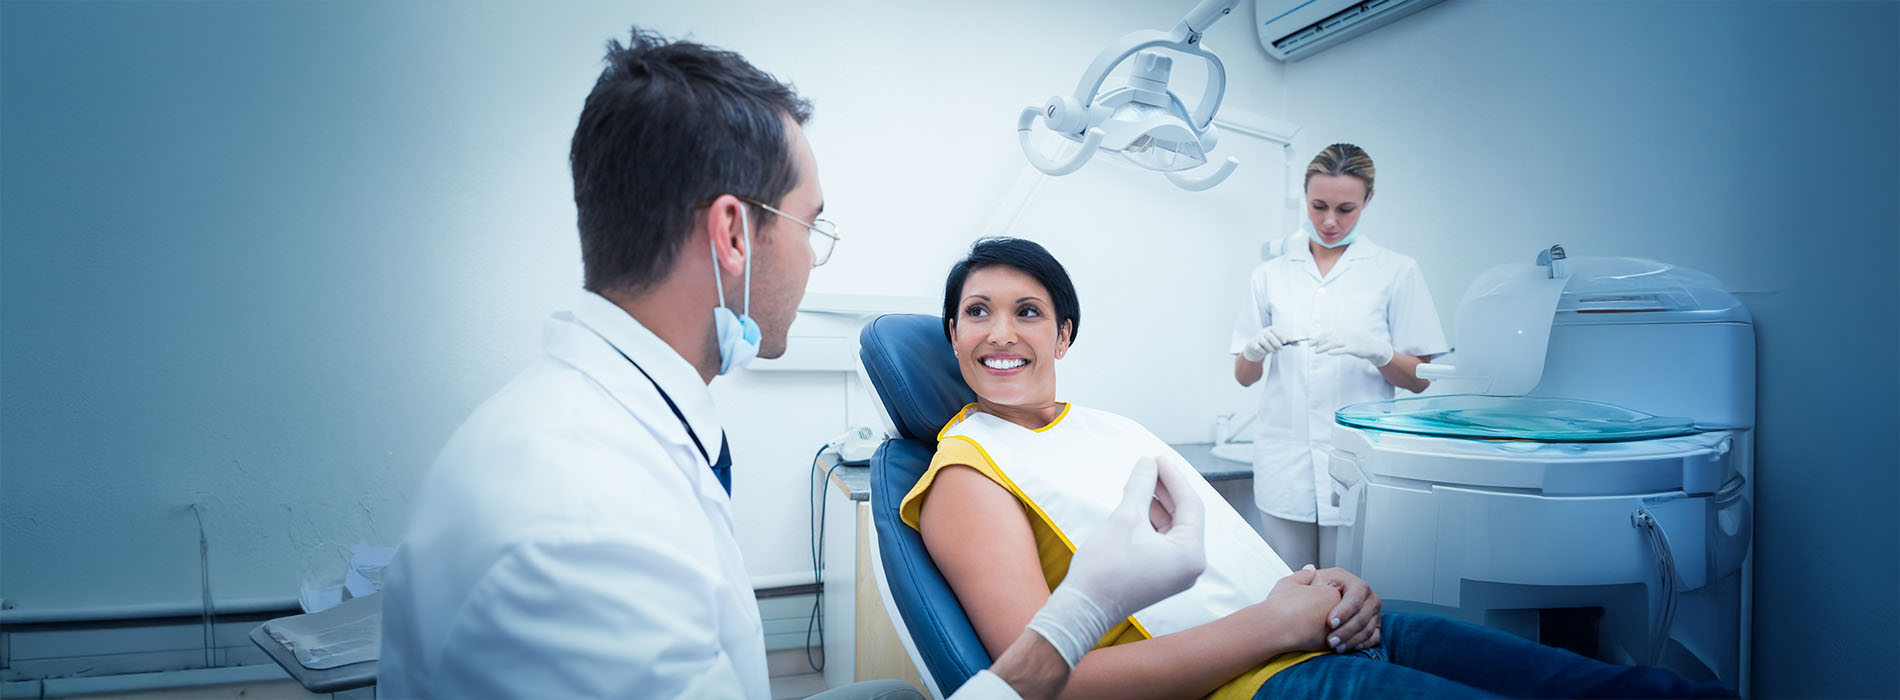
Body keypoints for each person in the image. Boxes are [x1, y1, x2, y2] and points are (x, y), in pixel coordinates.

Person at [377, 28, 1206, 700]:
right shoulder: (587, 526)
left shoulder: (610, 428)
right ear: (735, 235)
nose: (815, 258)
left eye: (1030, 313)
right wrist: (1077, 618)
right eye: (811, 224)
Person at [908, 236, 1735, 699]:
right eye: (975, 312)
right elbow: (1045, 688)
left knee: (1622, 690)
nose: (1000, 333)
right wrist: (1278, 627)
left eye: (1027, 312)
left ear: (1064, 336)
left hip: (1308, 636)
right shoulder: (967, 475)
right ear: (952, 336)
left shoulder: (1107, 427)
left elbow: (1229, 566)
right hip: (1252, 684)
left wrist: (1327, 591)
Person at [1230, 143, 1450, 569]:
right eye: (1318, 206)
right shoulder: (1270, 274)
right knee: (1285, 588)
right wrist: (1254, 350)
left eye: (1346, 209)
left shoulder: (1395, 271)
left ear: (1368, 200)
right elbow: (1243, 376)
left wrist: (1379, 351)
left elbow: (1420, 378)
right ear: (1305, 197)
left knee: (1345, 597)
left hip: (1357, 462)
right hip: (1284, 461)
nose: (1329, 221)